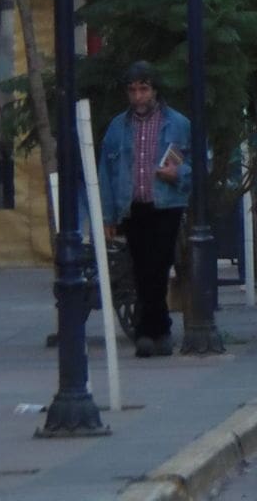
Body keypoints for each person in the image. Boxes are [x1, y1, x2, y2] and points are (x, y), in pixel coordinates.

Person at [97, 61, 192, 358]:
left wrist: (177, 174)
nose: (138, 96)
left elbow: (200, 161)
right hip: (133, 206)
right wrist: (108, 215)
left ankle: (153, 331)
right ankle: (154, 330)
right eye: (133, 90)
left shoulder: (177, 123)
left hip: (165, 204)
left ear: (154, 90)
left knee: (159, 265)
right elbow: (106, 173)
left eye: (144, 89)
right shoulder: (118, 127)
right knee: (140, 269)